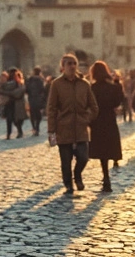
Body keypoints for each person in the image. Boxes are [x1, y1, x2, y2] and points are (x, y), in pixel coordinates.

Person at [46, 54, 98, 197]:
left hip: (81, 128)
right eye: (69, 63)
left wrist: (86, 118)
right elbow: (51, 108)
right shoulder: (56, 84)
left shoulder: (84, 84)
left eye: (74, 63)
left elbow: (93, 107)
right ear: (63, 67)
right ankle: (68, 184)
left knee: (83, 157)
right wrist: (51, 130)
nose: (72, 66)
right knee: (65, 160)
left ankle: (78, 175)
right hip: (63, 127)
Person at [87, 60, 123, 191]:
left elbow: (88, 104)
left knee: (102, 151)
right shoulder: (112, 87)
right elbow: (117, 102)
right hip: (109, 119)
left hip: (97, 120)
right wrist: (118, 84)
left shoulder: (92, 88)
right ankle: (107, 178)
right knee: (108, 148)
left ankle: (106, 176)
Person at [0, 68, 28, 139]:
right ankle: (10, 134)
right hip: (9, 103)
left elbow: (16, 93)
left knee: (17, 120)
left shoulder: (20, 84)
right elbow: (1, 90)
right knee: (10, 119)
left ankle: (19, 132)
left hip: (17, 103)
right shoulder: (8, 83)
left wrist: (6, 92)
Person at [26, 67, 47, 136]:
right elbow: (43, 90)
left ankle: (34, 128)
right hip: (38, 99)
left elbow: (27, 89)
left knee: (32, 114)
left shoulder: (30, 79)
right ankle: (37, 127)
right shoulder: (40, 80)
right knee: (38, 114)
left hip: (31, 99)